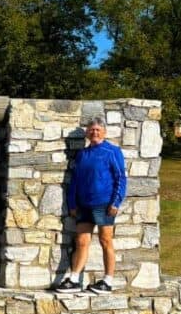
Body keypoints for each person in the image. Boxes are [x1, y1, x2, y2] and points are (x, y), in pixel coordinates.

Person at [54, 118, 127, 294]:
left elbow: (121, 178)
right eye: (91, 130)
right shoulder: (83, 154)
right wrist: (72, 204)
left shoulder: (112, 151)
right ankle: (74, 280)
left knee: (105, 240)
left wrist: (116, 202)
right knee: (81, 241)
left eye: (97, 130)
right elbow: (75, 181)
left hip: (105, 204)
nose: (94, 132)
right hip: (84, 206)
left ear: (104, 132)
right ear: (87, 133)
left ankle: (108, 281)